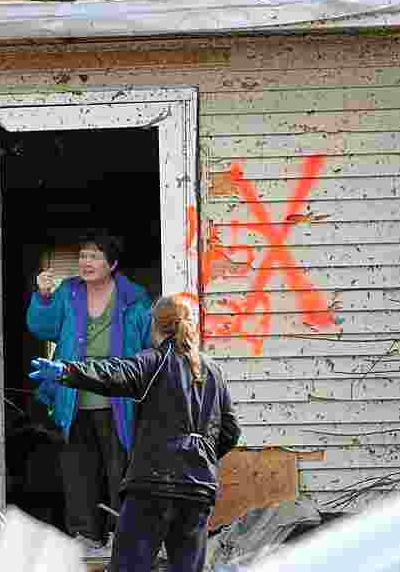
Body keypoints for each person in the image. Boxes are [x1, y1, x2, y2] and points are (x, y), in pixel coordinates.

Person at [30, 294, 241, 572]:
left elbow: (111, 373)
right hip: (198, 490)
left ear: (156, 326)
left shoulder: (152, 362)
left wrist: (66, 371)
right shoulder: (214, 372)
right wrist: (201, 456)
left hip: (152, 486)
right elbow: (230, 431)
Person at [26, 233, 151, 550]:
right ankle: (86, 534)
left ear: (113, 263)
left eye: (94, 256)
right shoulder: (68, 292)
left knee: (119, 468)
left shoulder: (134, 298)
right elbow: (44, 328)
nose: (86, 262)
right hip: (74, 395)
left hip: (118, 396)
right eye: (83, 255)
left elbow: (149, 342)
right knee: (78, 468)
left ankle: (120, 534)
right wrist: (42, 295)